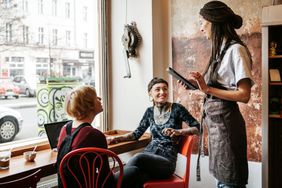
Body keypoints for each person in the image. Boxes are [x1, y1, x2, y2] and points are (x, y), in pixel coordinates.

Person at [181, 1, 254, 188]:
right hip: (217, 128)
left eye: (202, 22)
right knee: (222, 178)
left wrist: (207, 89)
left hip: (227, 126)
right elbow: (219, 88)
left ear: (213, 22)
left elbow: (244, 95)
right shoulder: (220, 50)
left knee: (230, 180)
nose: (201, 28)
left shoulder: (236, 50)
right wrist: (196, 86)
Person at [107, 77, 200, 186]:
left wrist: (179, 132)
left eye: (165, 89)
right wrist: (116, 138)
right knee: (133, 175)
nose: (162, 92)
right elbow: (136, 134)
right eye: (158, 89)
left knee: (138, 158)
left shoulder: (177, 109)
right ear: (150, 94)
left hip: (166, 162)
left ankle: (108, 184)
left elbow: (197, 128)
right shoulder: (149, 112)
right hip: (149, 156)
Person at [57, 85, 139, 188]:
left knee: (135, 162)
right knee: (135, 171)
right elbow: (104, 174)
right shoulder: (94, 134)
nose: (100, 99)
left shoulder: (65, 128)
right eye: (96, 97)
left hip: (69, 185)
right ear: (89, 105)